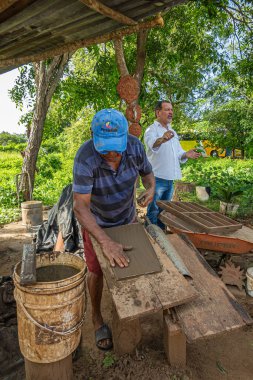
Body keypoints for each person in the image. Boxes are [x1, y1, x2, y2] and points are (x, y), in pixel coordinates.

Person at [73, 108, 155, 351]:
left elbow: (149, 175)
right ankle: (97, 318)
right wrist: (105, 241)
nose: (111, 153)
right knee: (96, 271)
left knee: (132, 264)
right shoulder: (85, 157)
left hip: (126, 218)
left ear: (126, 137)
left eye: (116, 147)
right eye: (105, 147)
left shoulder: (136, 147)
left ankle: (131, 309)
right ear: (92, 135)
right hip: (96, 221)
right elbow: (80, 207)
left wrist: (150, 189)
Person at [144, 100, 201, 229]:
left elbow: (178, 152)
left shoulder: (173, 132)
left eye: (171, 110)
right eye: (167, 109)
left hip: (170, 179)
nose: (170, 112)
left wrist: (186, 154)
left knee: (164, 211)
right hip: (156, 178)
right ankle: (151, 236)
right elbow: (152, 144)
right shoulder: (151, 130)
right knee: (153, 210)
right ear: (158, 112)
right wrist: (162, 138)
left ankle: (161, 237)